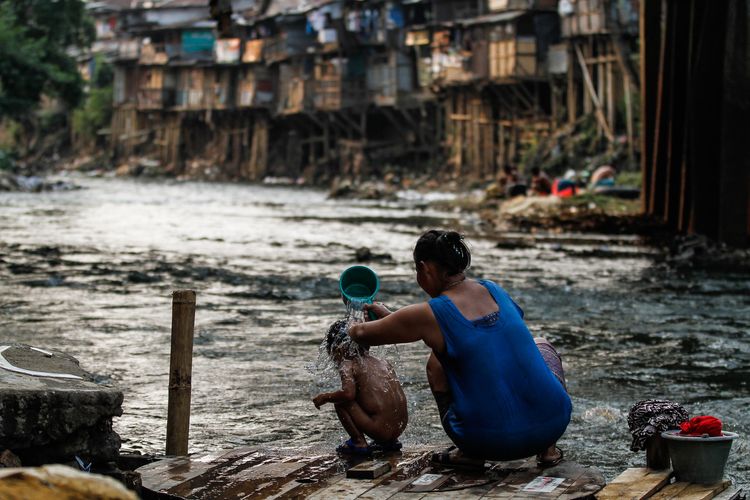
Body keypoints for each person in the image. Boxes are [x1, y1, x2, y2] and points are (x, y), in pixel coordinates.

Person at [348, 230, 571, 466]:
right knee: (541, 344)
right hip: (554, 424)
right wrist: (393, 318)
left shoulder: (429, 313)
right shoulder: (493, 289)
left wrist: (353, 314)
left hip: (486, 441)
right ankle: (549, 452)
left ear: (424, 268)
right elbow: (492, 339)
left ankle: (468, 453)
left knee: (436, 363)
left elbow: (361, 334)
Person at [313, 320, 408, 455]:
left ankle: (358, 442)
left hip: (380, 430)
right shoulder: (383, 362)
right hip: (399, 427)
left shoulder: (347, 364)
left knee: (341, 402)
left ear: (339, 349)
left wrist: (325, 397)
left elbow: (348, 394)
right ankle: (389, 442)